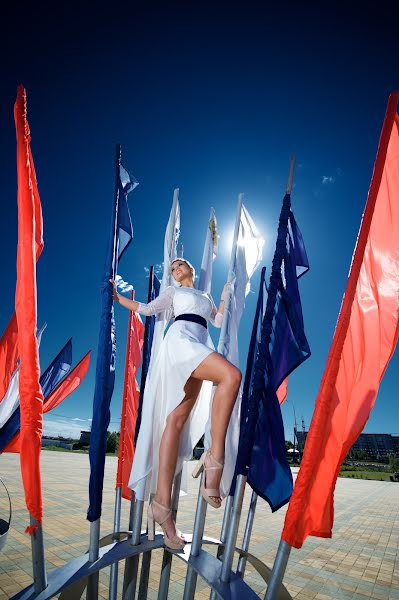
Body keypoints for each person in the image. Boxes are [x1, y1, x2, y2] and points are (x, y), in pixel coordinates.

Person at [110, 258, 241, 550]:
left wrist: (225, 292)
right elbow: (147, 308)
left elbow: (217, 321)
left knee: (176, 421)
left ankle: (161, 505)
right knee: (230, 376)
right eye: (172, 268)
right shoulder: (171, 291)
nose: (175, 269)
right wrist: (120, 299)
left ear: (191, 269)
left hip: (201, 342)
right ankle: (214, 457)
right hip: (180, 342)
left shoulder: (203, 297)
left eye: (180, 265)